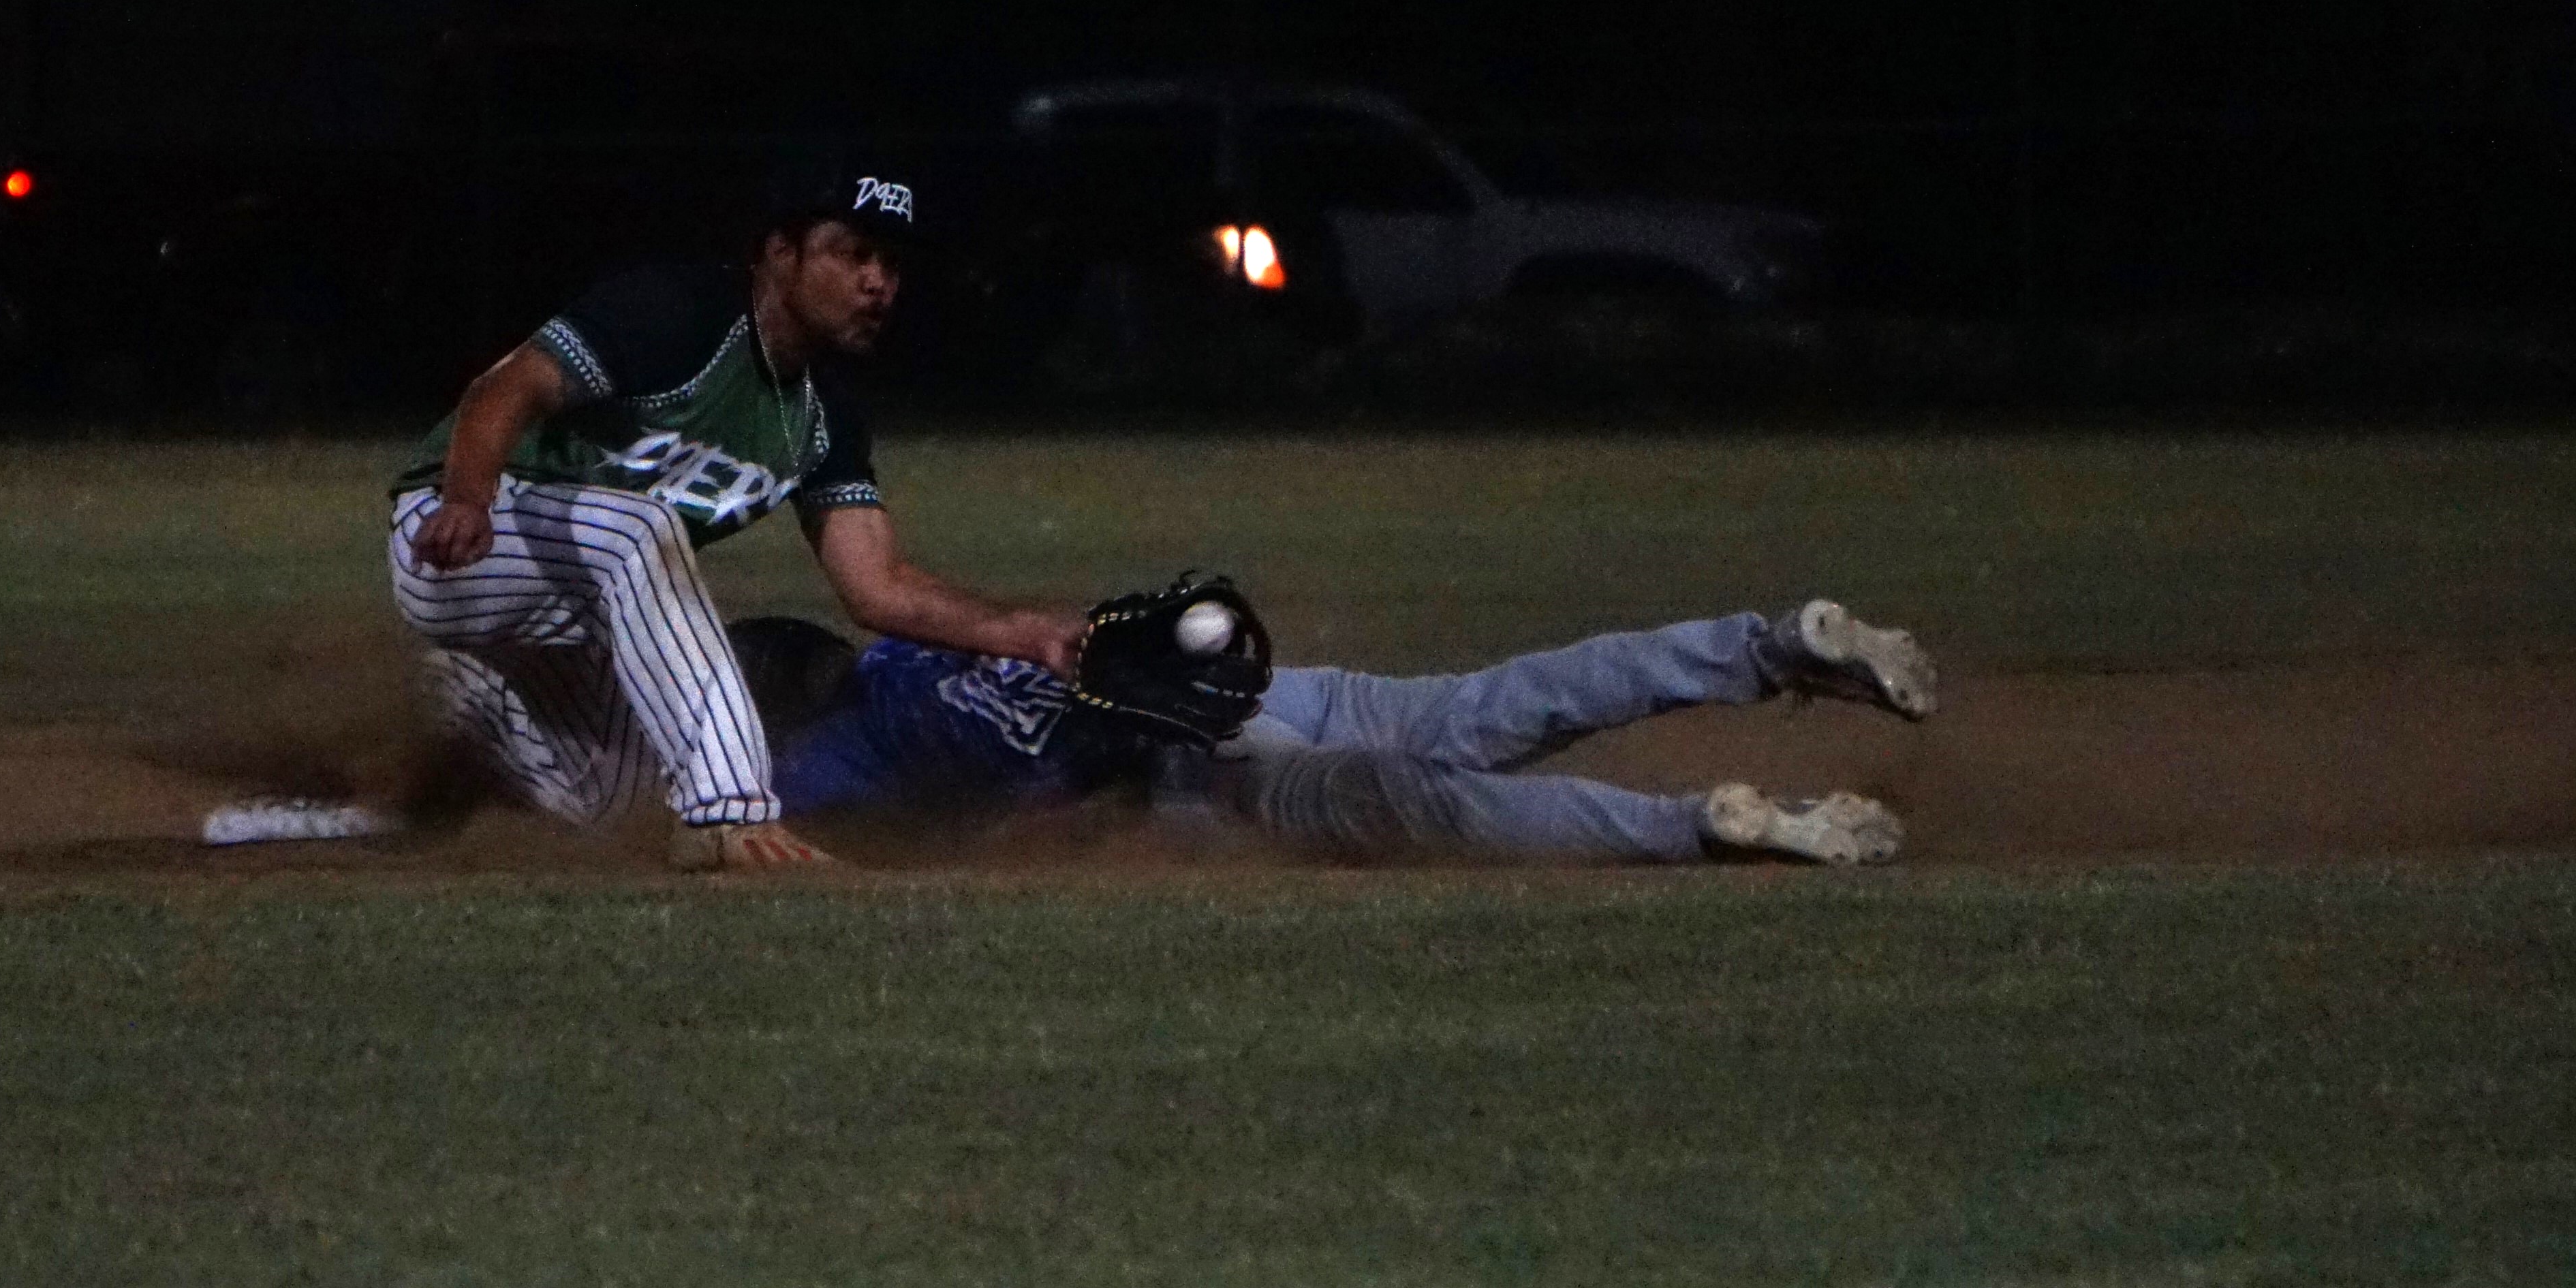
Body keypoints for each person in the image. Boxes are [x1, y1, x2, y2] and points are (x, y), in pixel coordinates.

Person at [217, 161, 1085, 870]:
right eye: (852, 252)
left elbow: (878, 586)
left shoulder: (823, 416)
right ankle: (729, 814)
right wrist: (465, 498)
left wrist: (1022, 632)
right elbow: (506, 387)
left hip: (576, 608)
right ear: (777, 255)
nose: (876, 281)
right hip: (466, 540)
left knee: (610, 806)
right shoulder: (678, 315)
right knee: (641, 530)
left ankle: (435, 740)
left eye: (891, 264)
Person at [724, 599, 1937, 865]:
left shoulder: (829, 749)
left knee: (1426, 803)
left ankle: (1698, 827)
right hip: (1269, 688)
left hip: (1204, 766)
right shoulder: (919, 636)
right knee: (1502, 694)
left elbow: (762, 831)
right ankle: (1773, 642)